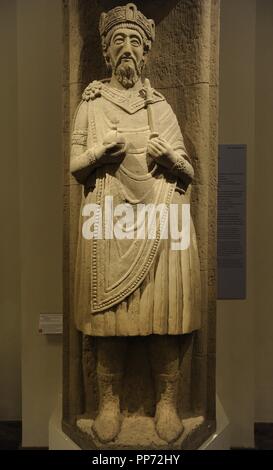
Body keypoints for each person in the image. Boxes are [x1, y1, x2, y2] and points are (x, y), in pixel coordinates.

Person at [70, 3, 201, 444]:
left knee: (159, 316)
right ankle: (109, 403)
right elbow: (75, 166)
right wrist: (97, 155)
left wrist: (169, 157)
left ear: (146, 54)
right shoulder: (91, 104)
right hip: (108, 222)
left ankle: (165, 401)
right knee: (111, 320)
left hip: (159, 220)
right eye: (118, 41)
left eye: (135, 42)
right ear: (107, 53)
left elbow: (188, 171)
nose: (127, 49)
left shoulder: (159, 106)